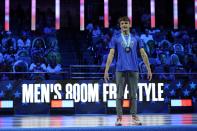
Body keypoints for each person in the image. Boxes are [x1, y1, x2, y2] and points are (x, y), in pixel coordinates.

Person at [104, 16, 152, 126]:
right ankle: (119, 118)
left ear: (130, 25)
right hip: (120, 70)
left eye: (126, 23)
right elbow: (111, 54)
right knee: (119, 95)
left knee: (133, 95)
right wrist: (106, 70)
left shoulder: (136, 39)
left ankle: (134, 117)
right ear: (120, 26)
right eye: (122, 23)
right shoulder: (115, 39)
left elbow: (143, 54)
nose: (124, 25)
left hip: (134, 70)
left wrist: (149, 69)